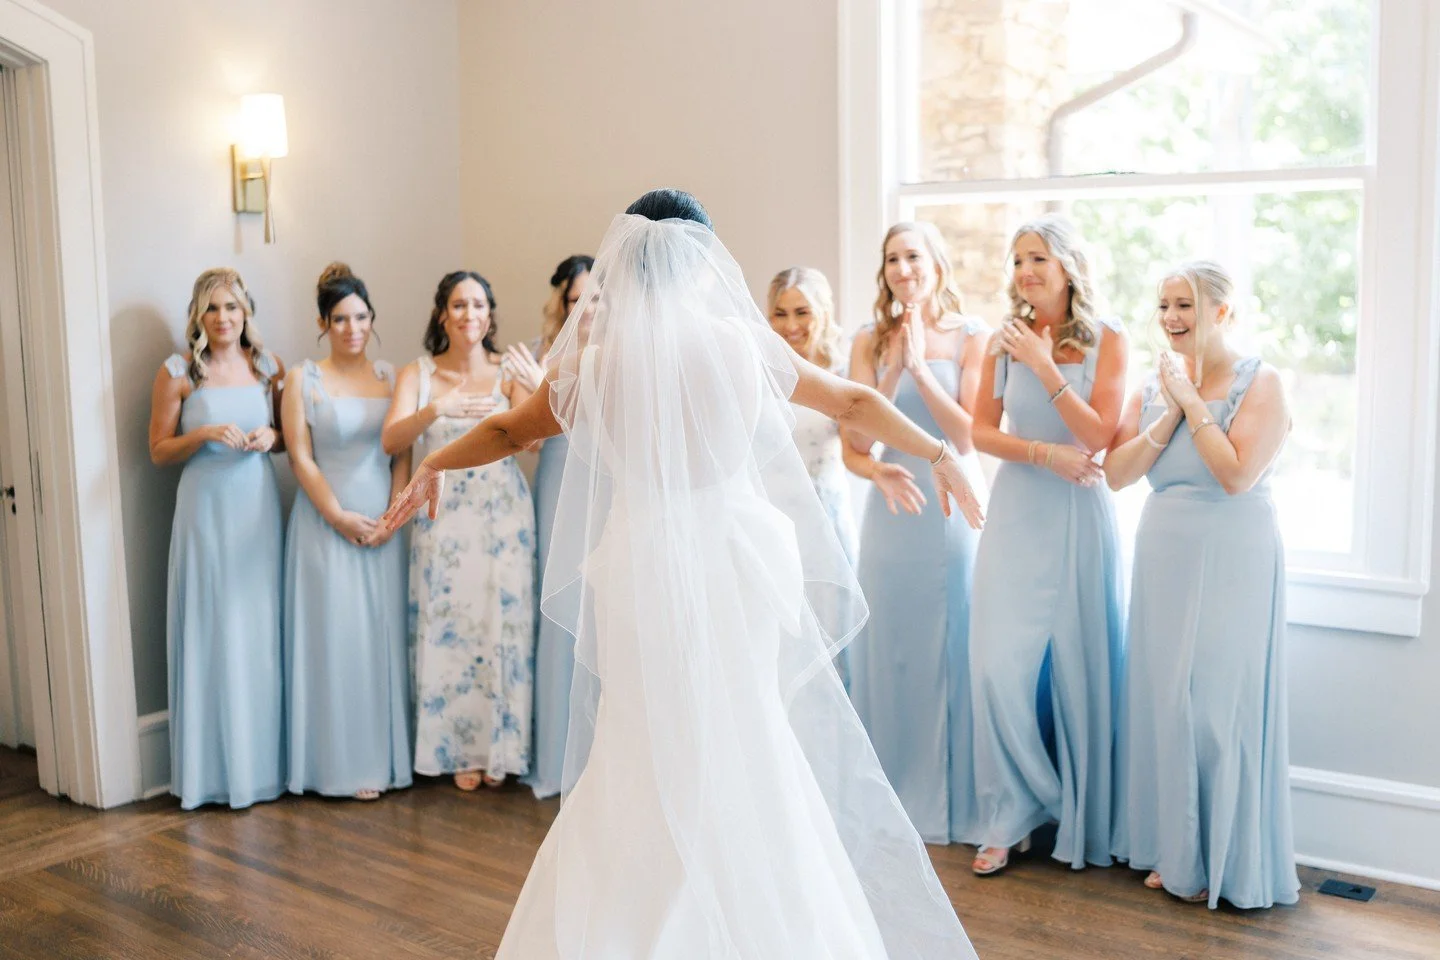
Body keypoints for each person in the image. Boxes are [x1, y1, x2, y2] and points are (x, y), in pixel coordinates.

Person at [372, 189, 982, 959]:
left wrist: (433, 463)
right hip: (735, 564)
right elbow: (853, 400)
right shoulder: (739, 346)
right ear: (704, 263)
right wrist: (941, 454)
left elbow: (502, 428)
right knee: (746, 734)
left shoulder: (598, 364)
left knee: (642, 742)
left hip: (639, 569)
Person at [1105, 260, 1298, 909]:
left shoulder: (1262, 381)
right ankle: (1177, 849)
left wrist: (1189, 401)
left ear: (1221, 309)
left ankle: (1227, 856)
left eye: (1183, 304)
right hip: (1164, 549)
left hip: (1233, 548)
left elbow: (1235, 474)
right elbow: (1117, 472)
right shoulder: (1153, 383)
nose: (1170, 319)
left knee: (1219, 707)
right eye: (1163, 305)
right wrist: (1167, 413)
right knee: (1169, 701)